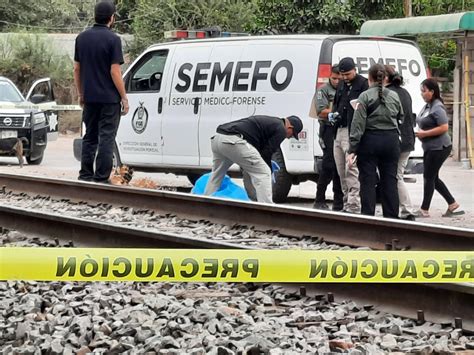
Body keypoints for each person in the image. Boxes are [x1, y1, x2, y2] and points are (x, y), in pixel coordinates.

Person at [74, 1, 129, 183]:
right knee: (106, 138)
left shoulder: (81, 38)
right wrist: (124, 97)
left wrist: (81, 94)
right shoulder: (113, 40)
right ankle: (101, 178)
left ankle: (85, 175)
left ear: (95, 16)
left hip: (89, 98)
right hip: (109, 99)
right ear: (112, 18)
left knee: (89, 136)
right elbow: (115, 71)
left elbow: (76, 69)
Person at [204, 115, 303, 203]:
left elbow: (260, 152)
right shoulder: (281, 129)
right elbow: (267, 153)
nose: (289, 137)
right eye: (292, 134)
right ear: (290, 127)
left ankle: (205, 202)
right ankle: (267, 209)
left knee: (217, 175)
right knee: (264, 173)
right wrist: (269, 169)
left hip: (218, 138)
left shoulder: (272, 123)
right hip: (233, 141)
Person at [348, 64, 403, 218]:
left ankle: (368, 216)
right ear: (386, 78)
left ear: (369, 79)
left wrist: (352, 148)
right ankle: (392, 218)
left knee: (367, 181)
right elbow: (401, 117)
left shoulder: (364, 97)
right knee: (390, 181)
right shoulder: (394, 96)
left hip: (370, 141)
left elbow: (357, 124)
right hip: (391, 141)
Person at [415, 78, 464, 217]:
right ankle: (452, 204)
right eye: (421, 91)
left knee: (428, 177)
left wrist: (425, 134)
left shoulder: (437, 107)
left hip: (439, 147)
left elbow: (444, 127)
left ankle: (424, 209)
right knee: (433, 178)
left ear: (432, 91)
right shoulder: (427, 106)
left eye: (424, 91)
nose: (422, 94)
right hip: (430, 147)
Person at [332, 57, 368, 213]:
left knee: (351, 169)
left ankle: (354, 205)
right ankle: (346, 202)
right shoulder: (341, 84)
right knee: (341, 171)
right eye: (342, 75)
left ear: (355, 70)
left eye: (348, 74)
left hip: (351, 131)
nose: (345, 77)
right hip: (338, 130)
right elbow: (338, 104)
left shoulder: (363, 83)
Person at [384, 65, 417, 220]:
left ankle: (407, 210)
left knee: (395, 176)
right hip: (408, 139)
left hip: (395, 140)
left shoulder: (388, 93)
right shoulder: (405, 92)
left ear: (384, 78)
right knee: (397, 175)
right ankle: (403, 209)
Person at [313, 65, 344, 210]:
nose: (337, 81)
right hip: (328, 129)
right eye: (334, 78)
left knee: (340, 166)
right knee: (329, 164)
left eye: (340, 78)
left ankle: (338, 201)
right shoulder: (324, 90)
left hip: (341, 129)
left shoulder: (345, 89)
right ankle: (319, 198)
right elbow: (320, 111)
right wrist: (337, 110)